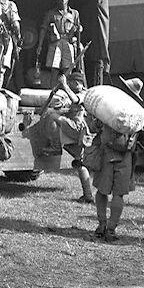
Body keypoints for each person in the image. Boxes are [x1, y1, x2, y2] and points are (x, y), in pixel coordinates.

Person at [90, 77, 144, 242]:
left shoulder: (109, 108)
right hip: (126, 158)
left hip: (106, 155)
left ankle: (101, 225)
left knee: (102, 191)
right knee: (119, 195)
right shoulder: (140, 114)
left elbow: (93, 127)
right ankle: (111, 229)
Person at [52, 72, 94, 203]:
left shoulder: (83, 94)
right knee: (79, 162)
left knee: (51, 115)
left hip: (77, 127)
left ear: (77, 84)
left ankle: (53, 145)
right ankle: (88, 195)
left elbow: (76, 100)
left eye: (71, 83)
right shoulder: (76, 92)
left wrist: (64, 85)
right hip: (77, 129)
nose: (69, 84)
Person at [36, 0, 83, 88]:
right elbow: (43, 29)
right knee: (54, 68)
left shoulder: (74, 13)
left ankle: (67, 91)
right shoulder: (51, 14)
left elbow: (78, 29)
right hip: (55, 43)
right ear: (56, 0)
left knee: (68, 69)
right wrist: (39, 45)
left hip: (68, 42)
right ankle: (53, 91)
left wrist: (78, 46)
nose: (62, 1)